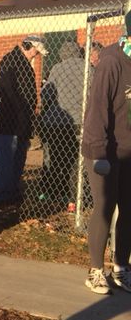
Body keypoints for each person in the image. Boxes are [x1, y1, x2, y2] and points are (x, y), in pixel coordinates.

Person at [81, 32, 131, 294]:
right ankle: (96, 271)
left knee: (129, 208)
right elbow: (97, 111)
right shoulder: (111, 62)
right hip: (103, 148)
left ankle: (122, 268)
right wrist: (99, 153)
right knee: (105, 205)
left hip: (128, 149)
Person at [0, 35, 46, 207]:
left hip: (21, 122)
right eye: (36, 52)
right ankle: (2, 197)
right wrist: (22, 109)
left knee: (17, 160)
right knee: (7, 161)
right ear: (29, 46)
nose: (36, 55)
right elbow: (9, 91)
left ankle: (12, 192)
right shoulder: (10, 61)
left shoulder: (22, 63)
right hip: (9, 121)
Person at [37, 41, 89, 208]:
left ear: (62, 54)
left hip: (56, 122)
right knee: (75, 161)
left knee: (55, 159)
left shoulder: (57, 69)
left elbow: (46, 94)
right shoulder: (89, 68)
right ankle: (73, 198)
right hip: (79, 122)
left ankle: (51, 194)